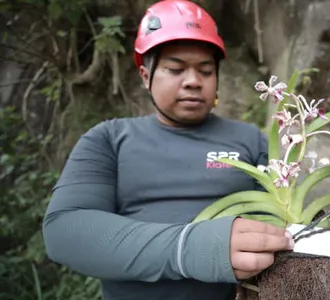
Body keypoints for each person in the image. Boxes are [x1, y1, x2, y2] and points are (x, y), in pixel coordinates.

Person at [41, 1, 294, 300]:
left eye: (206, 70)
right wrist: (188, 248)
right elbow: (65, 231)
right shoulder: (109, 139)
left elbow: (283, 222)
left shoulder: (249, 139)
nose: (193, 82)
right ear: (146, 76)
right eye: (175, 69)